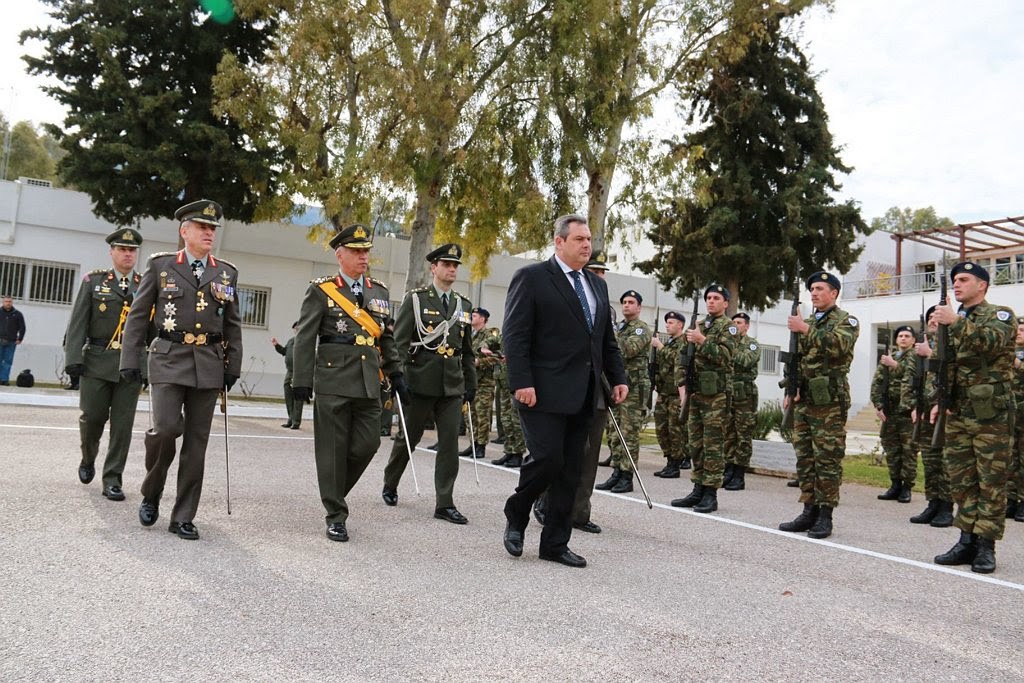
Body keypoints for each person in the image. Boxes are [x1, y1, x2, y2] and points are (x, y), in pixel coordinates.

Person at [501, 214, 627, 568]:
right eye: (579, 239)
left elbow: (605, 340)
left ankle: (555, 543)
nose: (587, 245)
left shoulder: (596, 285)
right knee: (547, 459)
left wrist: (618, 377)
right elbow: (515, 334)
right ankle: (518, 510)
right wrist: (521, 381)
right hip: (540, 390)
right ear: (558, 242)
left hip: (584, 392)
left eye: (589, 239)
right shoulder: (532, 278)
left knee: (572, 469)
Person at [119, 200, 243, 541]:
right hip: (168, 357)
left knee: (197, 443)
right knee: (166, 429)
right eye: (202, 227)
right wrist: (130, 360)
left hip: (209, 362)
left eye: (212, 228)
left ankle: (184, 515)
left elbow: (233, 324)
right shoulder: (160, 266)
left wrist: (234, 364)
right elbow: (138, 316)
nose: (208, 233)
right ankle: (152, 491)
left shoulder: (227, 272)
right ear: (184, 231)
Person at [292, 223, 404, 542]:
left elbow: (387, 339)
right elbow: (305, 338)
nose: (363, 257)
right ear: (340, 255)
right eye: (356, 252)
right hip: (332, 378)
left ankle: (333, 490)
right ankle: (336, 514)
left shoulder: (379, 292)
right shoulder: (322, 289)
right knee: (332, 449)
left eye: (366, 251)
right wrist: (301, 381)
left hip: (369, 380)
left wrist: (396, 373)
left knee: (368, 444)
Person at [382, 243, 476, 525]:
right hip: (420, 381)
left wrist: (469, 384)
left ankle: (444, 503)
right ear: (433, 268)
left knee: (449, 443)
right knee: (408, 438)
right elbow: (398, 343)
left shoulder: (464, 305)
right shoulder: (417, 299)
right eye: (446, 264)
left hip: (451, 385)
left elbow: (467, 351)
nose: (451, 269)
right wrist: (397, 378)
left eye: (455, 265)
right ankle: (391, 482)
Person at [931, 261, 1015, 574]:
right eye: (954, 280)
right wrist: (939, 399)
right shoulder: (956, 319)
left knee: (990, 482)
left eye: (964, 279)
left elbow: (990, 344)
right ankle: (966, 540)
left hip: (989, 414)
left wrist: (954, 323)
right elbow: (945, 364)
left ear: (982, 285)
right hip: (958, 411)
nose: (957, 284)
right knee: (963, 480)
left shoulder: (1001, 315)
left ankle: (985, 546)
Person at [531, 250, 615, 535]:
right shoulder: (563, 294)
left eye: (602, 272)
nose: (599, 276)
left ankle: (579, 512)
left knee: (587, 456)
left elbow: (610, 345)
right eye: (595, 270)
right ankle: (544, 502)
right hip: (564, 386)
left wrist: (618, 378)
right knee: (555, 453)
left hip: (596, 388)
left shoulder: (603, 303)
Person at [64, 228, 146, 501]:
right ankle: (88, 457)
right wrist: (73, 360)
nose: (127, 254)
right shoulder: (93, 281)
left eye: (132, 250)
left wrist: (147, 367)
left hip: (130, 366)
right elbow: (77, 324)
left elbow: (152, 330)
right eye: (122, 249)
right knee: (92, 418)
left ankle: (112, 479)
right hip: (96, 362)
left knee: (122, 426)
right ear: (111, 252)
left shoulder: (145, 284)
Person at [777, 271, 859, 539]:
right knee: (806, 457)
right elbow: (797, 360)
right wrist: (790, 386)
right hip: (805, 400)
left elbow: (838, 346)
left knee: (827, 459)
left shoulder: (846, 321)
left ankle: (825, 515)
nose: (814, 292)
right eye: (811, 288)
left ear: (834, 293)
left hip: (829, 401)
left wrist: (804, 329)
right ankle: (808, 510)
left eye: (820, 288)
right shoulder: (809, 320)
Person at [670, 284, 736, 514]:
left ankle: (710, 493)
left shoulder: (729, 327)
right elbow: (682, 358)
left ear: (726, 303)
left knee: (713, 444)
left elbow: (727, 356)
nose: (711, 301)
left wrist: (702, 340)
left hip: (716, 395)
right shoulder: (699, 325)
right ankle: (697, 488)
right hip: (695, 393)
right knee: (695, 443)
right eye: (708, 297)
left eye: (716, 298)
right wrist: (681, 385)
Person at [595, 290, 651, 494]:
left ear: (639, 307)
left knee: (628, 434)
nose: (627, 305)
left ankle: (627, 476)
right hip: (616, 387)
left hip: (634, 389)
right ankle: (617, 471)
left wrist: (611, 331)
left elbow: (627, 350)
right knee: (613, 432)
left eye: (631, 302)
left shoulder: (641, 329)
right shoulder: (619, 328)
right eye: (624, 302)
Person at [906, 306, 954, 526]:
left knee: (945, 462)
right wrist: (913, 405)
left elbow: (952, 369)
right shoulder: (920, 346)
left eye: (937, 317)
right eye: (930, 317)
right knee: (929, 460)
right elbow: (913, 378)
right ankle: (932, 503)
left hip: (944, 410)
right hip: (924, 411)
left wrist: (930, 353)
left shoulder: (949, 342)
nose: (934, 320)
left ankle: (946, 506)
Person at [871, 325, 917, 503]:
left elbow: (913, 376)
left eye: (907, 336)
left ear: (913, 340)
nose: (903, 338)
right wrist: (878, 404)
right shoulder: (890, 357)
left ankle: (907, 487)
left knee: (909, 451)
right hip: (890, 411)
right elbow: (878, 382)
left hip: (906, 411)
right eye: (900, 336)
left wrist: (895, 366)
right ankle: (895, 484)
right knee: (892, 450)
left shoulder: (916, 356)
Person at [724, 311, 759, 490]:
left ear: (746, 326)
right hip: (729, 393)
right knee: (729, 433)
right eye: (734, 322)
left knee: (743, 434)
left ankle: (739, 473)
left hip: (745, 395)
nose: (736, 325)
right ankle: (728, 469)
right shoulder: (730, 343)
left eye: (739, 322)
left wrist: (729, 349)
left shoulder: (752, 345)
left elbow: (745, 361)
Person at [460, 307, 501, 459]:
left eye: (475, 315)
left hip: (484, 382)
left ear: (483, 319)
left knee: (482, 415)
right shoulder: (469, 335)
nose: (472, 317)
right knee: (469, 414)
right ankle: (473, 443)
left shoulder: (490, 335)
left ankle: (481, 446)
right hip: (469, 381)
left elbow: (499, 357)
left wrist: (479, 362)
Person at [651, 311, 687, 479]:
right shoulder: (670, 342)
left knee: (675, 430)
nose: (668, 325)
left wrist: (659, 346)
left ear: (680, 325)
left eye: (671, 322)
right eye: (667, 322)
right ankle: (668, 459)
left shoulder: (684, 341)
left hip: (675, 394)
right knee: (661, 429)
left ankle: (676, 463)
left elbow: (677, 359)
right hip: (663, 393)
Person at [271, 321, 302, 429]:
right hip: (289, 372)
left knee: (297, 397)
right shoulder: (291, 341)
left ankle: (296, 421)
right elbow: (284, 351)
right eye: (295, 328)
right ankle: (290, 419)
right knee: (288, 395)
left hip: (299, 372)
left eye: (298, 328)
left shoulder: (305, 341)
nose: (296, 330)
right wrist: (277, 346)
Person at [1008, 316, 1024, 523]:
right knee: (1009, 459)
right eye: (1017, 329)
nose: (1019, 332)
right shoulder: (1007, 354)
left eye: (1023, 329)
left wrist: (1018, 364)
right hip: (1009, 414)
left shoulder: (1015, 359)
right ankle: (1010, 499)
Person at [0, 296, 26, 386]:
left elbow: (22, 327)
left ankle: (4, 379)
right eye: (6, 301)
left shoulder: (17, 314)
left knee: (8, 362)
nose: (8, 303)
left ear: (12, 303)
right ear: (3, 302)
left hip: (11, 341)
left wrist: (20, 338)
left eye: (10, 301)